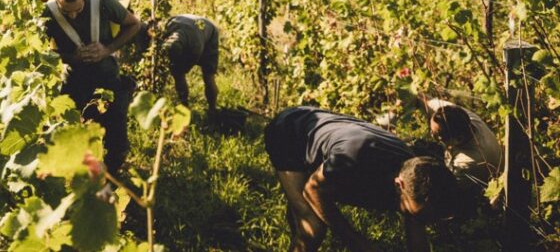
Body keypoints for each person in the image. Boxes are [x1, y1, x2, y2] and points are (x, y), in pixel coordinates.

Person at [265, 106, 456, 252]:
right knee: (313, 227)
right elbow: (312, 189)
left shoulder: (414, 172)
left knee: (309, 208)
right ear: (399, 185)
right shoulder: (355, 157)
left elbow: (417, 230)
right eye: (419, 215)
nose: (423, 221)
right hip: (289, 131)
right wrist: (356, 242)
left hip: (323, 137)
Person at [40, 0, 143, 173]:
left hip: (107, 77)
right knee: (66, 131)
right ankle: (74, 173)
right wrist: (71, 57)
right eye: (66, 11)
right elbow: (40, 51)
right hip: (74, 79)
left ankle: (112, 174)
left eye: (78, 10)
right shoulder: (47, 12)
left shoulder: (102, 0)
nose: (72, 16)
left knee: (116, 135)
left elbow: (134, 24)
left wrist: (107, 49)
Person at [419, 94, 502, 189]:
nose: (431, 135)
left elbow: (449, 188)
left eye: (438, 136)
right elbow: (427, 101)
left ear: (459, 139)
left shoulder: (466, 163)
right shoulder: (464, 118)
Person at [158, 14, 219, 114]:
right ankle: (185, 107)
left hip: (209, 33)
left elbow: (186, 65)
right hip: (189, 24)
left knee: (208, 76)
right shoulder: (168, 28)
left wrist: (178, 69)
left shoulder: (195, 47)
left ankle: (212, 109)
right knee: (178, 74)